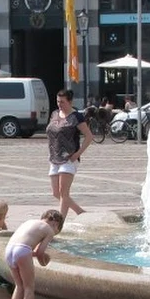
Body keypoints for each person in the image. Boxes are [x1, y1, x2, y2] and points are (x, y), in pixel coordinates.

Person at [4, 210, 64, 299]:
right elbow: (40, 252)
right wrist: (44, 261)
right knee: (29, 288)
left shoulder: (30, 222)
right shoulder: (49, 230)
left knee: (19, 286)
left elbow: (31, 249)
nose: (54, 234)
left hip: (9, 249)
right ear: (56, 224)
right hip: (22, 250)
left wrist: (37, 255)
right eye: (57, 231)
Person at [45, 88, 94, 217]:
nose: (59, 104)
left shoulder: (76, 117)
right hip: (54, 157)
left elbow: (89, 136)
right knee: (56, 193)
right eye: (58, 101)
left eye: (62, 102)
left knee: (63, 192)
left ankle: (60, 222)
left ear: (70, 102)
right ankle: (80, 212)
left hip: (69, 158)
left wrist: (78, 154)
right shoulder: (55, 114)